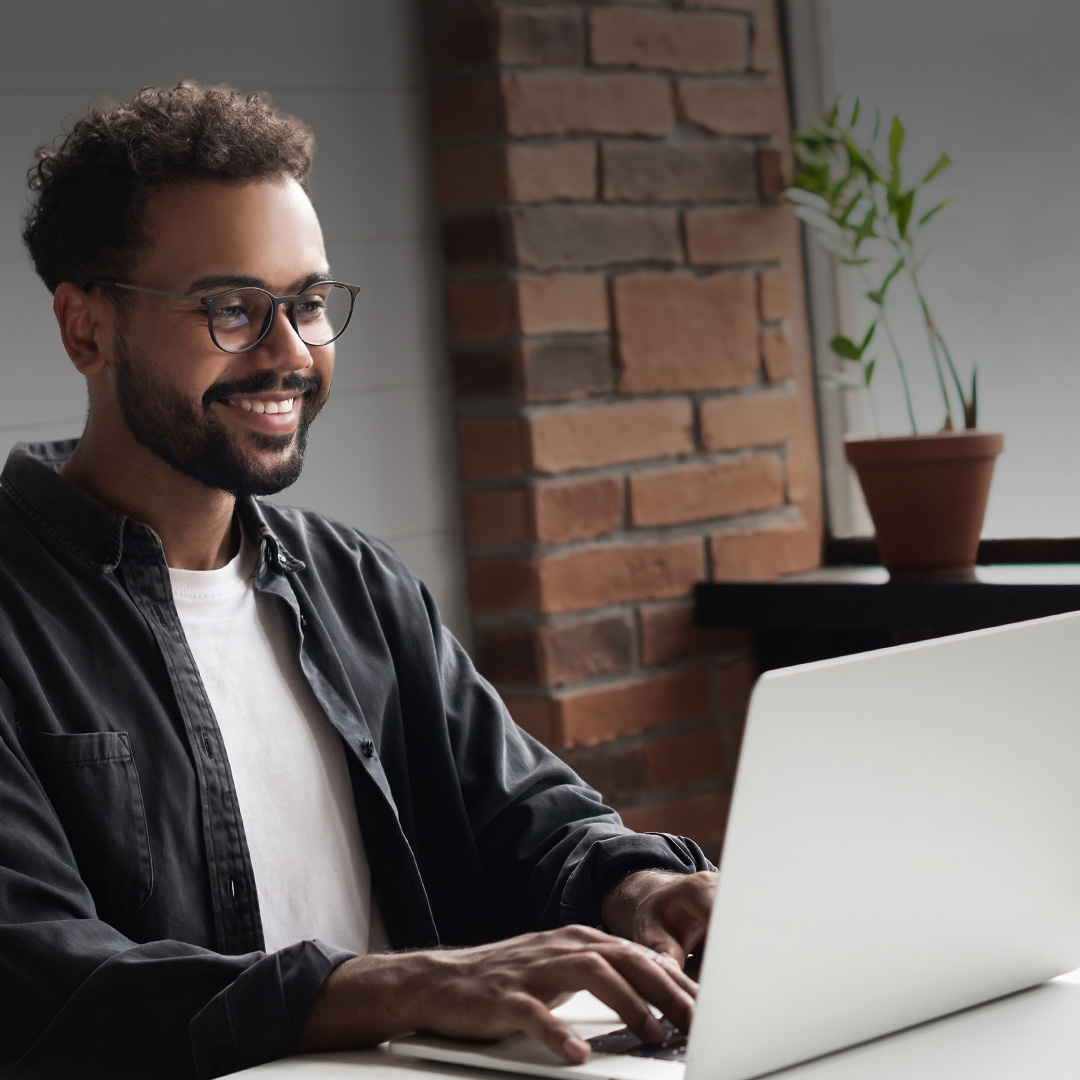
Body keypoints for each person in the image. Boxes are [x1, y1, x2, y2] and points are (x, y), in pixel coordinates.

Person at [0, 82, 718, 1080]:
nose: (290, 353)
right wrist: (402, 986)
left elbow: (527, 822)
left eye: (306, 303)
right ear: (87, 329)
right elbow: (42, 982)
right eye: (231, 309)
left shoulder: (355, 584)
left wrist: (636, 883)